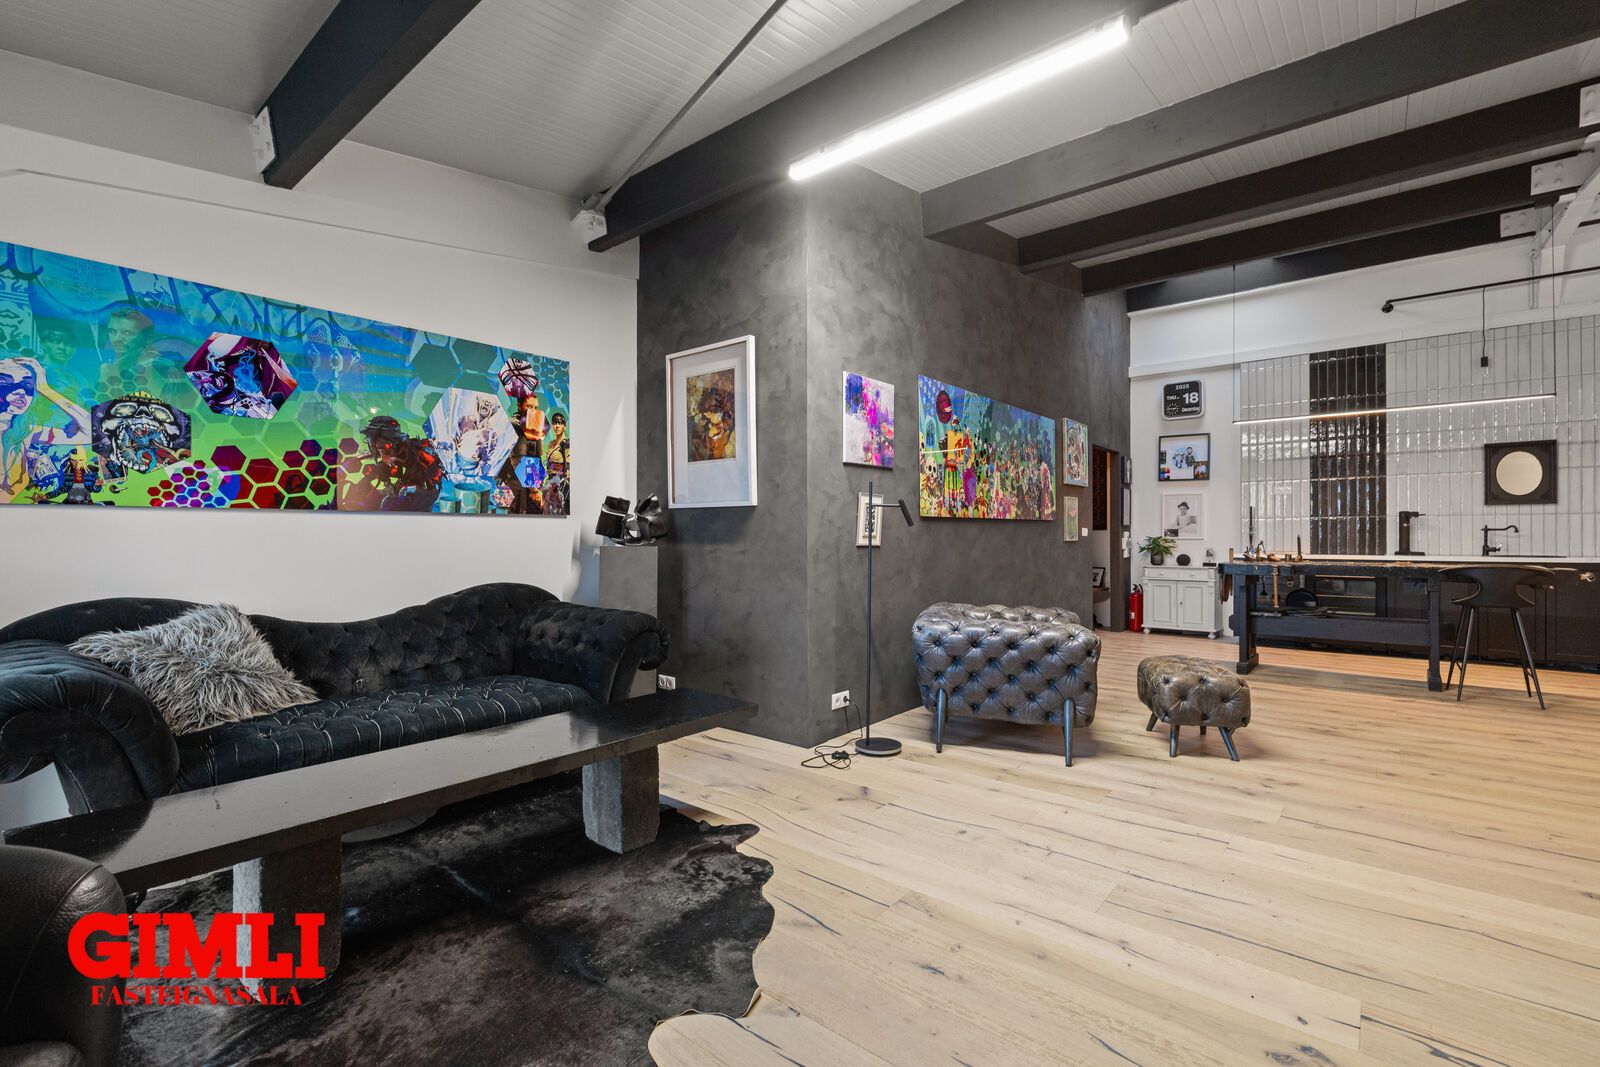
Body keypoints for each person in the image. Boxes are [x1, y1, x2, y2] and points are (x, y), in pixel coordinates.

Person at [1, 355, 91, 502]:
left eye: (27, 384)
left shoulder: (26, 433)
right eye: (5, 382)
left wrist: (45, 389)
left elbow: (90, 432)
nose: (20, 391)